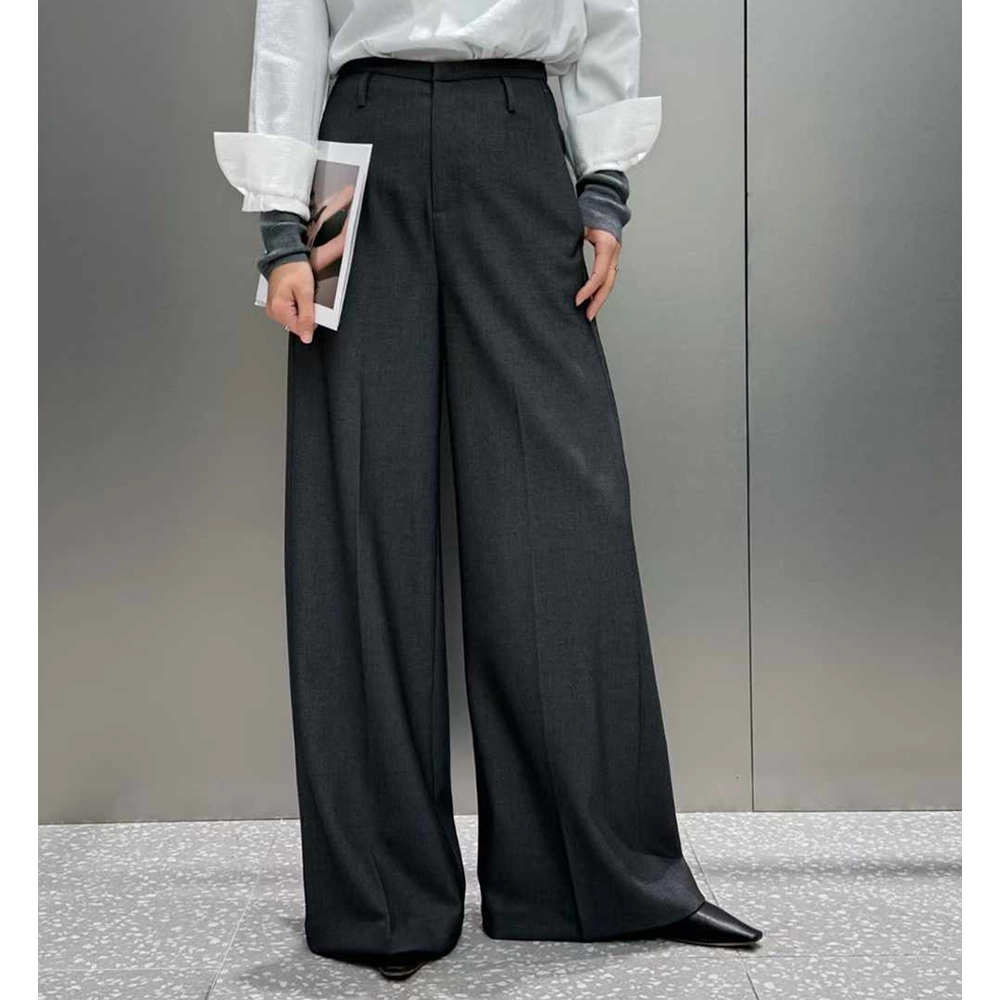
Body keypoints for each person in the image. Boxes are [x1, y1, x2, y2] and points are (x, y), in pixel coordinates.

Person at [214, 0, 762, 981]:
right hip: (359, 137)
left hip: (515, 134)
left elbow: (605, 13)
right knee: (360, 509)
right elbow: (291, 25)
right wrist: (281, 224)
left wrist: (602, 185)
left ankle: (593, 880)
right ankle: (383, 901)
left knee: (563, 510)